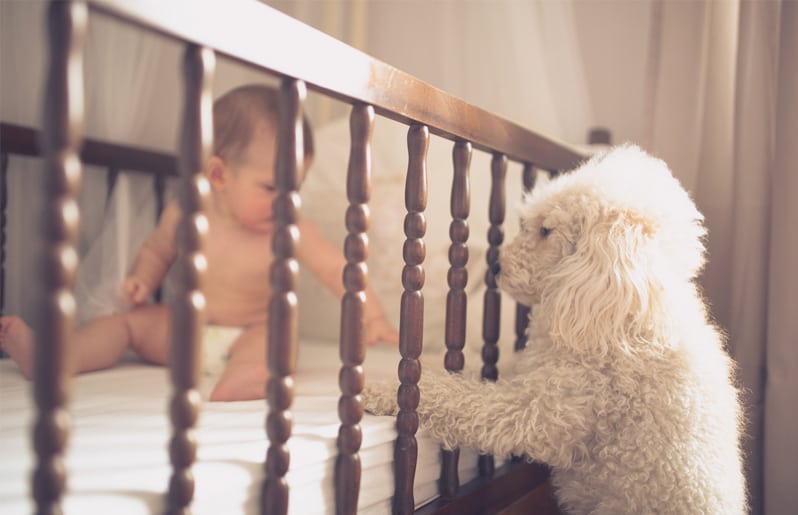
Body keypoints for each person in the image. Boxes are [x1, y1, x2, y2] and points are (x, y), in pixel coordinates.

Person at [0, 84, 399, 401]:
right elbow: (158, 249)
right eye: (271, 187)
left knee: (276, 337)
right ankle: (56, 357)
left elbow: (337, 269)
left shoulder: (288, 227)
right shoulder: (186, 212)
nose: (287, 201)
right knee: (125, 324)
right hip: (186, 329)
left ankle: (245, 377)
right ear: (219, 175)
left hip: (251, 329)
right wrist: (142, 278)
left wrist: (374, 316)